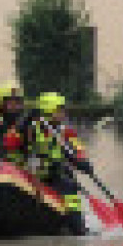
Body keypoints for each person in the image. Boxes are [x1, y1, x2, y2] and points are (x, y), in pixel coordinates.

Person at [32, 92, 91, 235]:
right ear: (48, 111)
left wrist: (82, 162)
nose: (63, 113)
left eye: (63, 109)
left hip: (58, 173)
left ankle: (78, 227)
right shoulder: (32, 129)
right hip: (37, 177)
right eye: (59, 110)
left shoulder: (65, 130)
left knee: (71, 190)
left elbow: (77, 148)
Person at [0, 81, 32, 168]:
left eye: (18, 103)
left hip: (24, 174)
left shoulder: (28, 126)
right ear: (1, 105)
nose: (15, 107)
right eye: (10, 103)